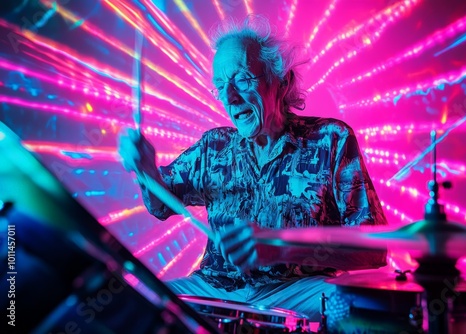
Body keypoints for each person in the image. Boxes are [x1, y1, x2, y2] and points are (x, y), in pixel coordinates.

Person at [118, 16, 387, 323]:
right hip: (213, 288)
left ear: (281, 81)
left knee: (365, 310)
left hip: (300, 289)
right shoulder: (213, 146)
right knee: (134, 302)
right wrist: (146, 170)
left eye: (243, 79)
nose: (230, 97)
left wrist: (282, 248)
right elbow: (160, 205)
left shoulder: (331, 139)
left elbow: (374, 250)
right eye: (221, 85)